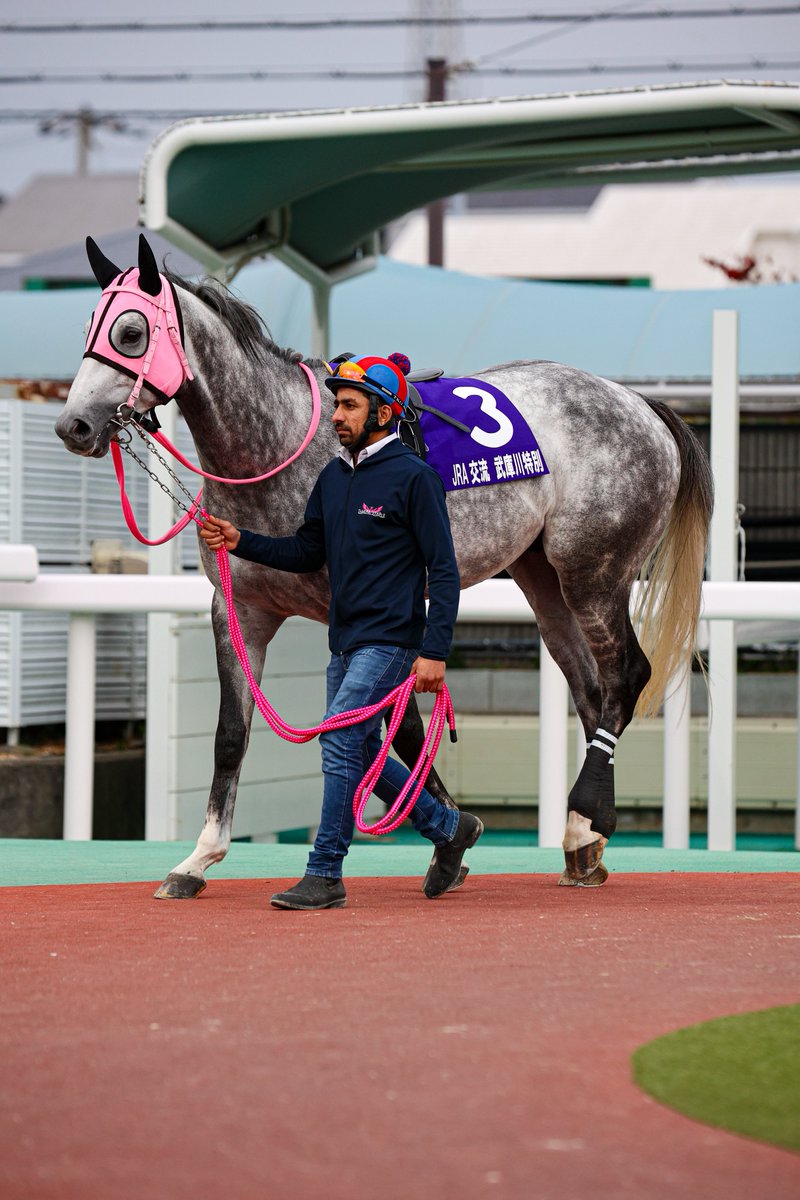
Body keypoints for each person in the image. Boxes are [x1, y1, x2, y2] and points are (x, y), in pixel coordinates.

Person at [200, 353, 483, 910]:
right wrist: (241, 541)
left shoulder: (415, 478)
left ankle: (325, 871)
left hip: (393, 643)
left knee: (338, 743)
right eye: (336, 405)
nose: (336, 416)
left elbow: (444, 571)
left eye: (350, 406)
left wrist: (434, 651)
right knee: (361, 754)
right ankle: (449, 829)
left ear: (384, 412)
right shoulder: (333, 477)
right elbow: (307, 551)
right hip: (345, 642)